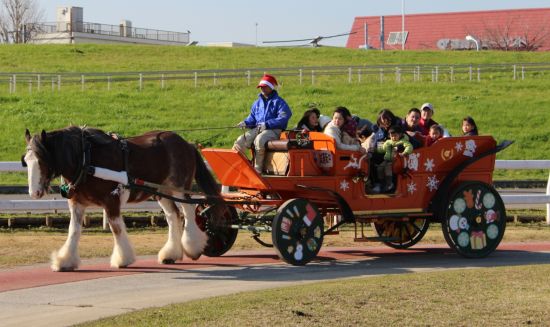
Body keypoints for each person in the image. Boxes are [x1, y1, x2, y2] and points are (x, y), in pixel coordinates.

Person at [233, 74, 292, 173]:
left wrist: (267, 124)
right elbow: (252, 118)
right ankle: (241, 167)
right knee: (240, 141)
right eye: (261, 87)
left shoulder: (279, 102)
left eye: (265, 87)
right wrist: (245, 123)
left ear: (271, 87)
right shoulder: (257, 103)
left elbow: (284, 117)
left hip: (274, 130)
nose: (262, 89)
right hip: (259, 129)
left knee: (259, 140)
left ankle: (257, 171)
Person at [374, 125, 413, 193]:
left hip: (396, 161)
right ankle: (382, 183)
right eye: (391, 136)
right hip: (387, 159)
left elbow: (409, 147)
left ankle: (390, 184)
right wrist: (375, 149)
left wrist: (404, 152)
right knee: (379, 168)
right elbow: (383, 149)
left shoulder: (403, 141)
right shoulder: (388, 142)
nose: (393, 138)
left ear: (400, 134)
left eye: (395, 136)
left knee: (388, 167)